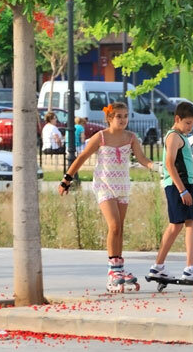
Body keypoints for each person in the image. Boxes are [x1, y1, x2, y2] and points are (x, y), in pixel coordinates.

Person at [58, 100, 157, 293]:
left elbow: (142, 159)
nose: (123, 120)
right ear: (110, 118)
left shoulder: (131, 138)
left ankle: (119, 268)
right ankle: (112, 271)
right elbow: (82, 157)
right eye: (119, 116)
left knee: (119, 227)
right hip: (104, 185)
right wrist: (66, 179)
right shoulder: (101, 137)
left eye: (126, 116)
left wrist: (156, 166)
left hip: (122, 185)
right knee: (113, 225)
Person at [149, 101, 193, 285]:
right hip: (180, 184)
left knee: (177, 225)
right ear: (178, 119)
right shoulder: (174, 136)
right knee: (192, 223)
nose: (191, 127)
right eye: (188, 123)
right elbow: (169, 163)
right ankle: (191, 268)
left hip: (181, 184)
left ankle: (158, 266)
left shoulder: (177, 136)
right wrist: (183, 190)